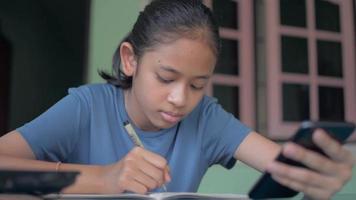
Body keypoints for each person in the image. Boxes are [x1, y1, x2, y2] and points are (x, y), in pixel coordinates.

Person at [0, 0, 354, 199]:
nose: (180, 99)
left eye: (198, 85)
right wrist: (104, 179)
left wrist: (315, 177)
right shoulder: (86, 108)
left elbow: (285, 166)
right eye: (166, 78)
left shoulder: (206, 119)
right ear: (130, 59)